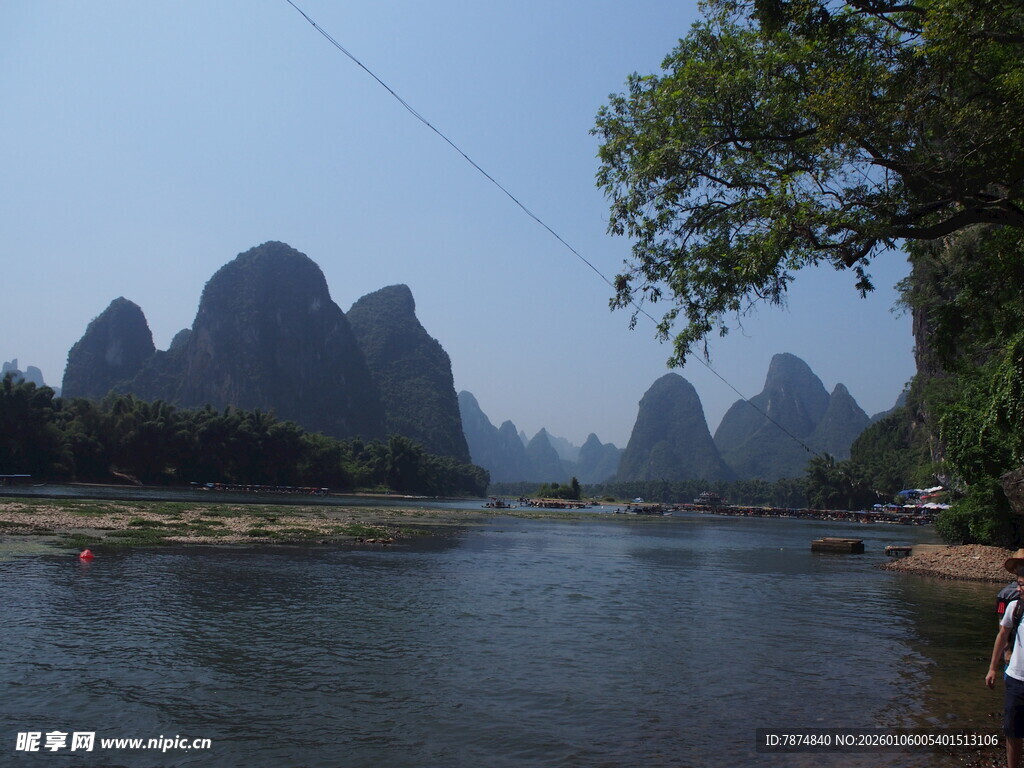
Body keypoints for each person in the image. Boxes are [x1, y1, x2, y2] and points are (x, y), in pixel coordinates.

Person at [986, 549, 1024, 768]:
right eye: (1018, 582)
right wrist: (993, 667)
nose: (1019, 588)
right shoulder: (1012, 602)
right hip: (1015, 678)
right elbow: (1002, 633)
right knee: (1012, 731)